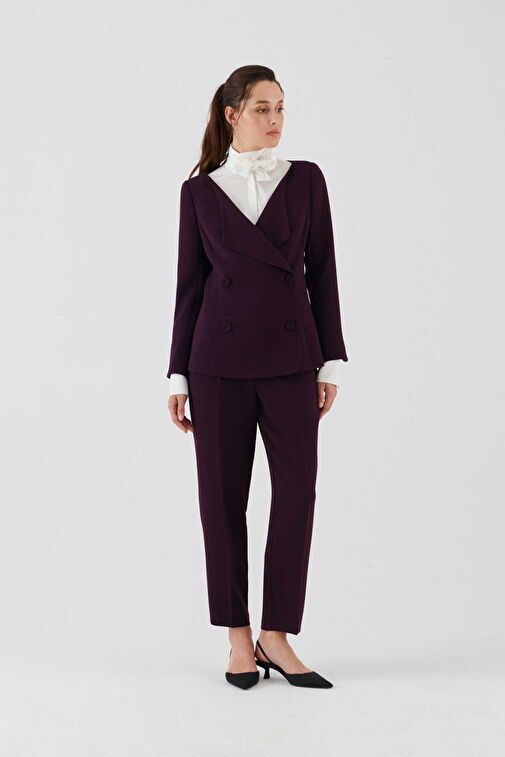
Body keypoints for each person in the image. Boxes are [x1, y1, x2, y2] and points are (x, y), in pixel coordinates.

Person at [166, 65, 348, 689]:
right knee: (221, 502)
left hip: (294, 362)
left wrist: (330, 360)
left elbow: (323, 272)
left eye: (281, 108)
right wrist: (178, 375)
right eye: (263, 108)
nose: (275, 120)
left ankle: (278, 634)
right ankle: (238, 638)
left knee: (297, 496)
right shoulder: (199, 192)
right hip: (216, 365)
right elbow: (189, 289)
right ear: (232, 115)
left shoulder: (306, 180)